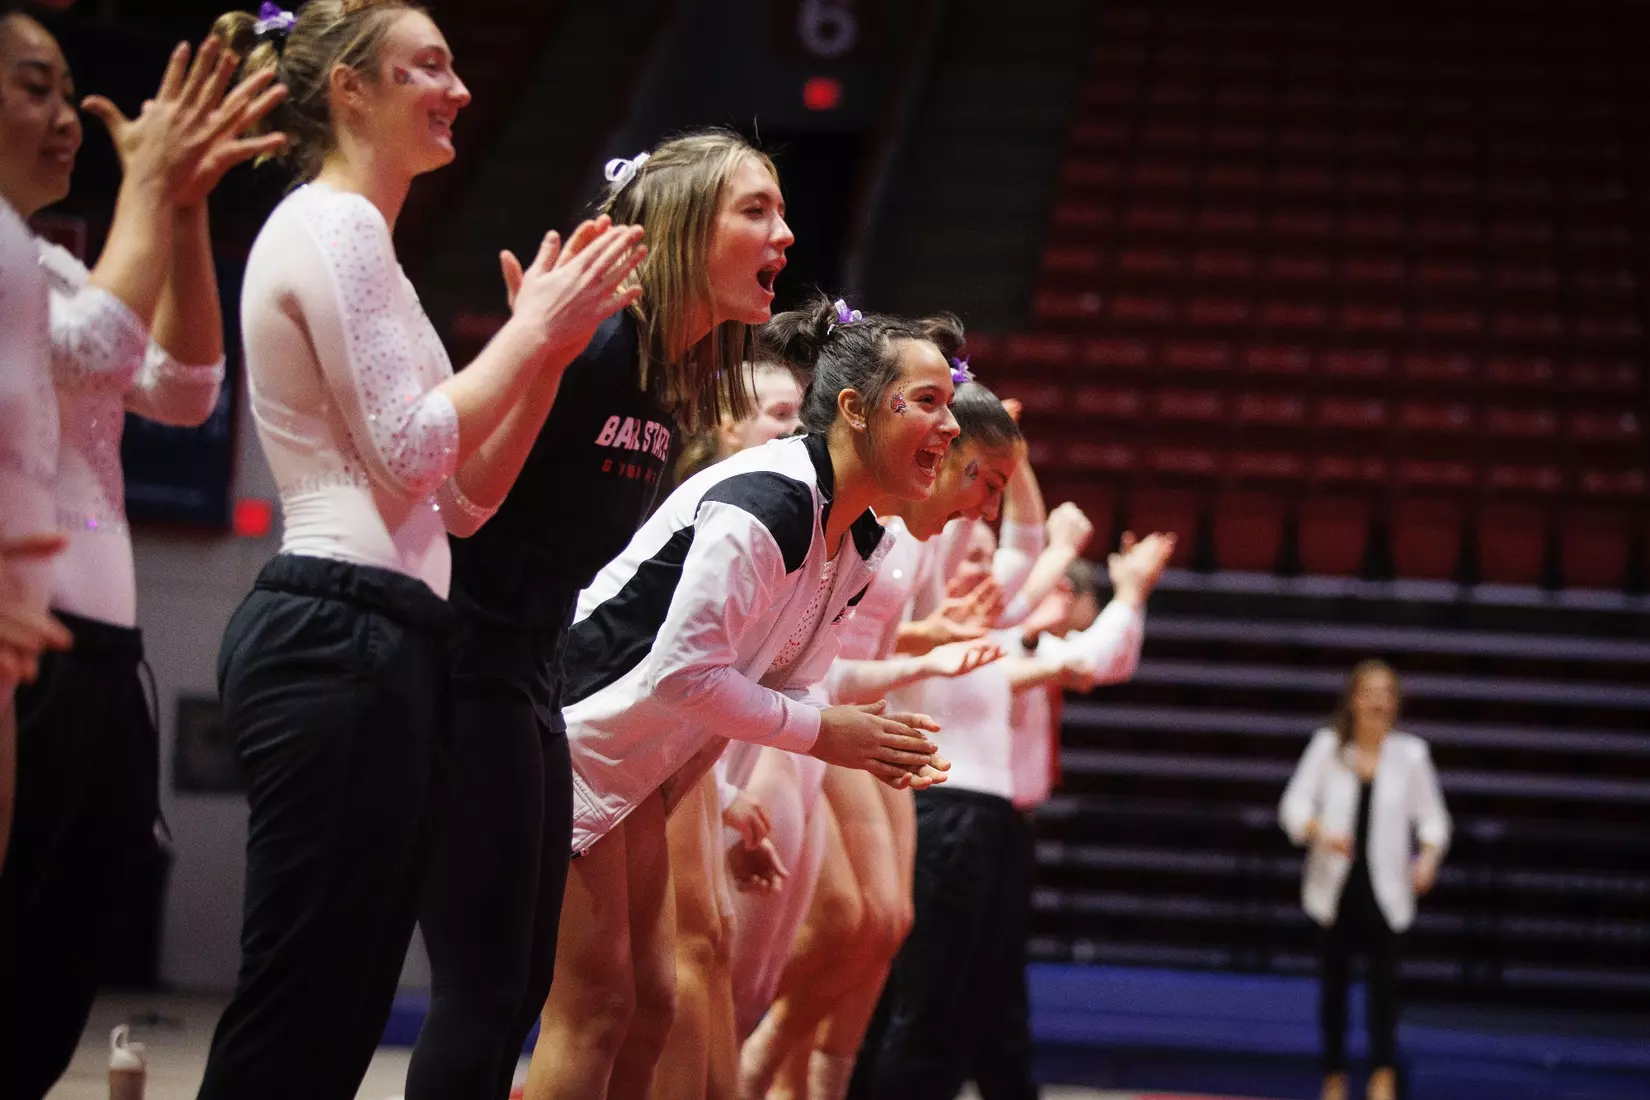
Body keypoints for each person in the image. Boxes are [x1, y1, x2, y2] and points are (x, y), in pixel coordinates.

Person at [197, 4, 644, 1097]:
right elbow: (407, 449)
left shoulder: (376, 251)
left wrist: (546, 361)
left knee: (341, 1008)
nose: (458, 89)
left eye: (454, 65)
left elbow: (464, 502)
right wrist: (532, 334)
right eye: (426, 67)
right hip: (332, 630)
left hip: (384, 636)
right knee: (302, 1001)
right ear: (350, 89)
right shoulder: (335, 225)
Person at [417, 129, 792, 1100]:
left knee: (634, 999)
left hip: (543, 679)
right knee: (536, 998)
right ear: (678, 226)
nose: (783, 234)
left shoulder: (671, 381)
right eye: (755, 210)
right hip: (475, 670)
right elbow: (451, 496)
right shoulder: (594, 345)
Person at [524, 295, 959, 1100]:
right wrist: (825, 734)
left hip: (647, 763)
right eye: (928, 401)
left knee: (654, 1002)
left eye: (950, 402)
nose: (952, 424)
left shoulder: (859, 533)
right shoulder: (771, 501)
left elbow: (784, 679)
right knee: (597, 1008)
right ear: (857, 410)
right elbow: (683, 675)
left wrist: (818, 742)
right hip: (575, 742)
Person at [0, 13, 288, 1095]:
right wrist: (147, 187)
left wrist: (184, 200)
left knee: (71, 921)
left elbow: (185, 383)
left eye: (70, 88)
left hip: (101, 651)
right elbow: (101, 350)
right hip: (31, 639)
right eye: (35, 87)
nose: (67, 113)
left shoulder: (48, 266)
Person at [736, 376, 1038, 1100]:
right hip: (817, 715)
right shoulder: (868, 515)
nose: (985, 505)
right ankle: (761, 1062)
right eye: (982, 479)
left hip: (852, 709)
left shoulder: (906, 525)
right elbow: (801, 648)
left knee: (880, 925)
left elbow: (1007, 562)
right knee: (828, 925)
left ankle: (798, 1075)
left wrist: (926, 643)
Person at [855, 523, 1169, 1100]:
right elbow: (1051, 653)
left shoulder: (1008, 638)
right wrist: (1083, 568)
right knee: (923, 999)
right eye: (972, 555)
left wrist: (1128, 595)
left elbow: (1099, 659)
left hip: (992, 824)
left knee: (974, 997)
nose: (988, 570)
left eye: (988, 556)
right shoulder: (939, 634)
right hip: (939, 815)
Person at [651, 356, 806, 1100]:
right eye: (779, 415)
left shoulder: (776, 515)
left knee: (715, 949)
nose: (796, 430)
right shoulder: (712, 508)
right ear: (723, 425)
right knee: (686, 957)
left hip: (709, 751)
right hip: (657, 745)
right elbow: (671, 669)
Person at [1279, 660, 1450, 1100]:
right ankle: (1333, 1076)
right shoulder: (1327, 747)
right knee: (1334, 990)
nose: (1377, 701)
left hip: (1387, 889)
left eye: (1386, 693)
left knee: (1386, 991)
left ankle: (1382, 1075)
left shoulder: (1411, 755)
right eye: (1369, 692)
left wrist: (1427, 857)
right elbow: (1293, 807)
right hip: (1334, 888)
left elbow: (1433, 819)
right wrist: (1320, 831)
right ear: (1353, 699)